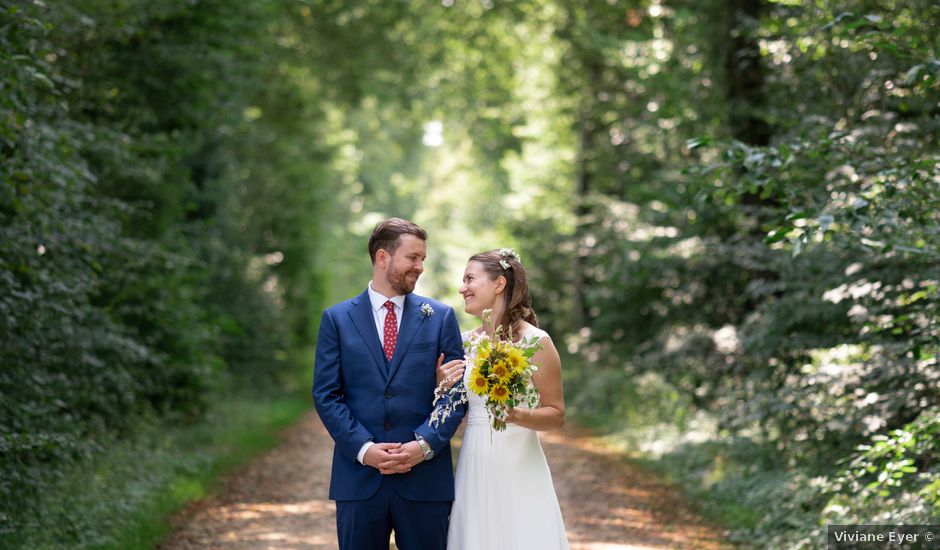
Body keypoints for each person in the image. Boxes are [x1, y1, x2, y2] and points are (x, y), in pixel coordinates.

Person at [312, 218, 467, 550]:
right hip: (359, 479)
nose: (420, 267)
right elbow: (326, 395)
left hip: (425, 480)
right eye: (413, 258)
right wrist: (364, 450)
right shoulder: (337, 320)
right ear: (383, 258)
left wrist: (422, 446)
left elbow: (454, 394)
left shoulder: (440, 317)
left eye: (422, 259)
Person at [442, 248, 570, 550]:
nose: (463, 288)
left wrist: (516, 416)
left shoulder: (536, 341)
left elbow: (557, 413)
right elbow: (457, 409)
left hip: (519, 465)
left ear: (499, 284)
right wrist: (443, 385)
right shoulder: (465, 343)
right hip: (473, 462)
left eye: (470, 279)